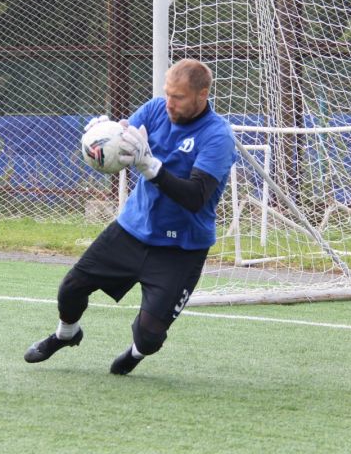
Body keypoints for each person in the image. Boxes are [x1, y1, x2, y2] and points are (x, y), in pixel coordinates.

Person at [23, 59, 236, 375]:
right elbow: (123, 139)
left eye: (178, 97)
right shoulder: (154, 110)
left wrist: (152, 168)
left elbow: (194, 197)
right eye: (167, 94)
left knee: (150, 337)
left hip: (182, 249)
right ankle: (65, 335)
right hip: (133, 230)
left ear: (202, 94)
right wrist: (103, 136)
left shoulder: (218, 136)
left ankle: (135, 354)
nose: (169, 103)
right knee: (70, 288)